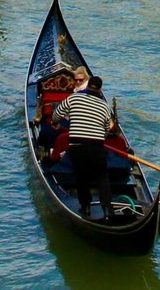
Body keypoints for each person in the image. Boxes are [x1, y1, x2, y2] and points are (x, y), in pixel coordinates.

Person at [53, 74, 113, 217]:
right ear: (100, 90)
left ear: (87, 85)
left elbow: (57, 114)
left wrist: (56, 122)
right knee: (102, 175)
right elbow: (106, 128)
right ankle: (107, 208)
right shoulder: (105, 106)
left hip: (77, 145)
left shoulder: (74, 98)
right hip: (97, 146)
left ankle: (85, 206)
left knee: (82, 176)